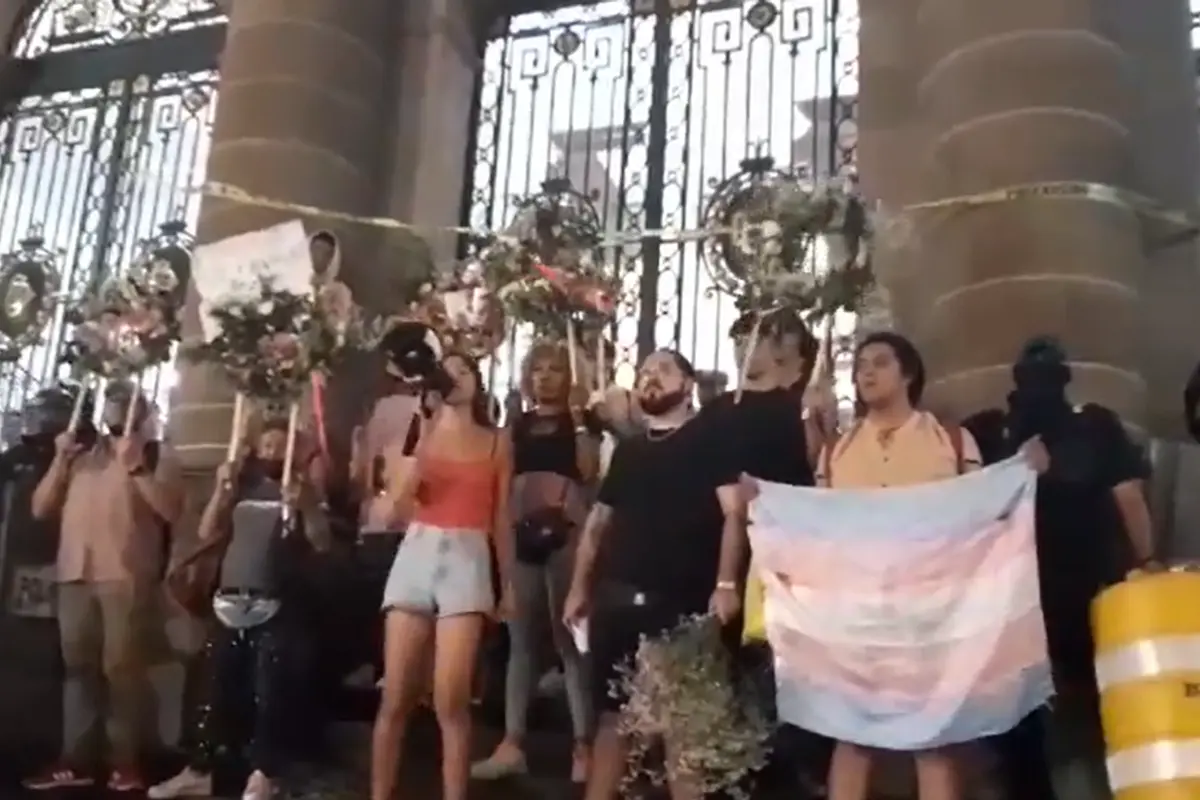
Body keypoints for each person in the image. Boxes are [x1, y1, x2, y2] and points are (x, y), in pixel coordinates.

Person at [964, 336, 1155, 800]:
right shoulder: (990, 431)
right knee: (1025, 724)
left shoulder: (1095, 426)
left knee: (1093, 708)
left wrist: (1146, 563)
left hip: (1081, 590)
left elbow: (1128, 496)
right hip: (1021, 594)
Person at [563, 348, 745, 800]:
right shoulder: (628, 451)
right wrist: (578, 587)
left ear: (687, 384)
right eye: (644, 371)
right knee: (612, 721)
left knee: (681, 728)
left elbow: (735, 514)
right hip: (619, 600)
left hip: (679, 601)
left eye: (663, 369)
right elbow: (597, 525)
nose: (650, 377)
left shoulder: (709, 439)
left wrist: (726, 584)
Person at [815, 332, 988, 800]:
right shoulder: (836, 451)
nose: (865, 373)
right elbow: (819, 530)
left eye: (879, 363)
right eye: (859, 365)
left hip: (928, 611)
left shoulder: (950, 441)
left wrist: (1020, 475)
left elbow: (981, 517)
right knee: (851, 736)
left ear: (907, 373)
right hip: (857, 613)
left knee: (930, 740)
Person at [149, 418, 330, 800]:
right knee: (213, 691)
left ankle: (264, 774)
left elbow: (321, 542)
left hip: (276, 603)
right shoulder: (240, 487)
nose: (271, 453)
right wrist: (220, 489)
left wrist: (307, 506)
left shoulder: (300, 490)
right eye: (265, 446)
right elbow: (207, 530)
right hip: (229, 600)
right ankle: (200, 769)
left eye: (280, 447)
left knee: (269, 693)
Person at [25, 384, 183, 792]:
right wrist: (60, 461)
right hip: (75, 575)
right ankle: (74, 759)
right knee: (78, 671)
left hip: (125, 578)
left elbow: (171, 510)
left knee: (122, 671)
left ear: (142, 411)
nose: (116, 413)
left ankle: (124, 762)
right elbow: (41, 507)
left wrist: (135, 468)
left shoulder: (157, 455)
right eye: (110, 404)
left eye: (125, 404)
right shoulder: (81, 457)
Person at [370, 352, 514, 800]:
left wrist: (505, 583)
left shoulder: (498, 442)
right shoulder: (419, 436)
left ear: (477, 380)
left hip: (467, 557)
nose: (455, 379)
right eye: (447, 373)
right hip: (418, 550)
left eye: (464, 370)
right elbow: (392, 510)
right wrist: (421, 437)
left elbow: (502, 518)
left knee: (451, 699)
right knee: (396, 695)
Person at [472, 341, 599, 783]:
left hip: (566, 534)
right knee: (521, 641)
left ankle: (584, 744)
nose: (545, 377)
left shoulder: (579, 423)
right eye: (538, 369)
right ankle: (512, 742)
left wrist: (583, 419)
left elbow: (588, 472)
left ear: (570, 377)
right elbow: (500, 479)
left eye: (555, 369)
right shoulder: (518, 425)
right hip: (522, 534)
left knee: (570, 642)